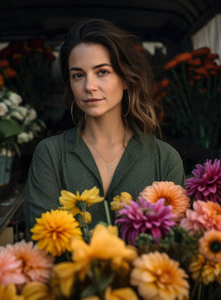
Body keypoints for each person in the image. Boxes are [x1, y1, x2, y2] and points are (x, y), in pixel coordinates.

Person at [24, 18, 184, 230]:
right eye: (78, 75)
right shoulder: (50, 154)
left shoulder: (164, 158)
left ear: (125, 79)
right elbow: (44, 239)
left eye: (102, 72)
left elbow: (175, 244)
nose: (89, 86)